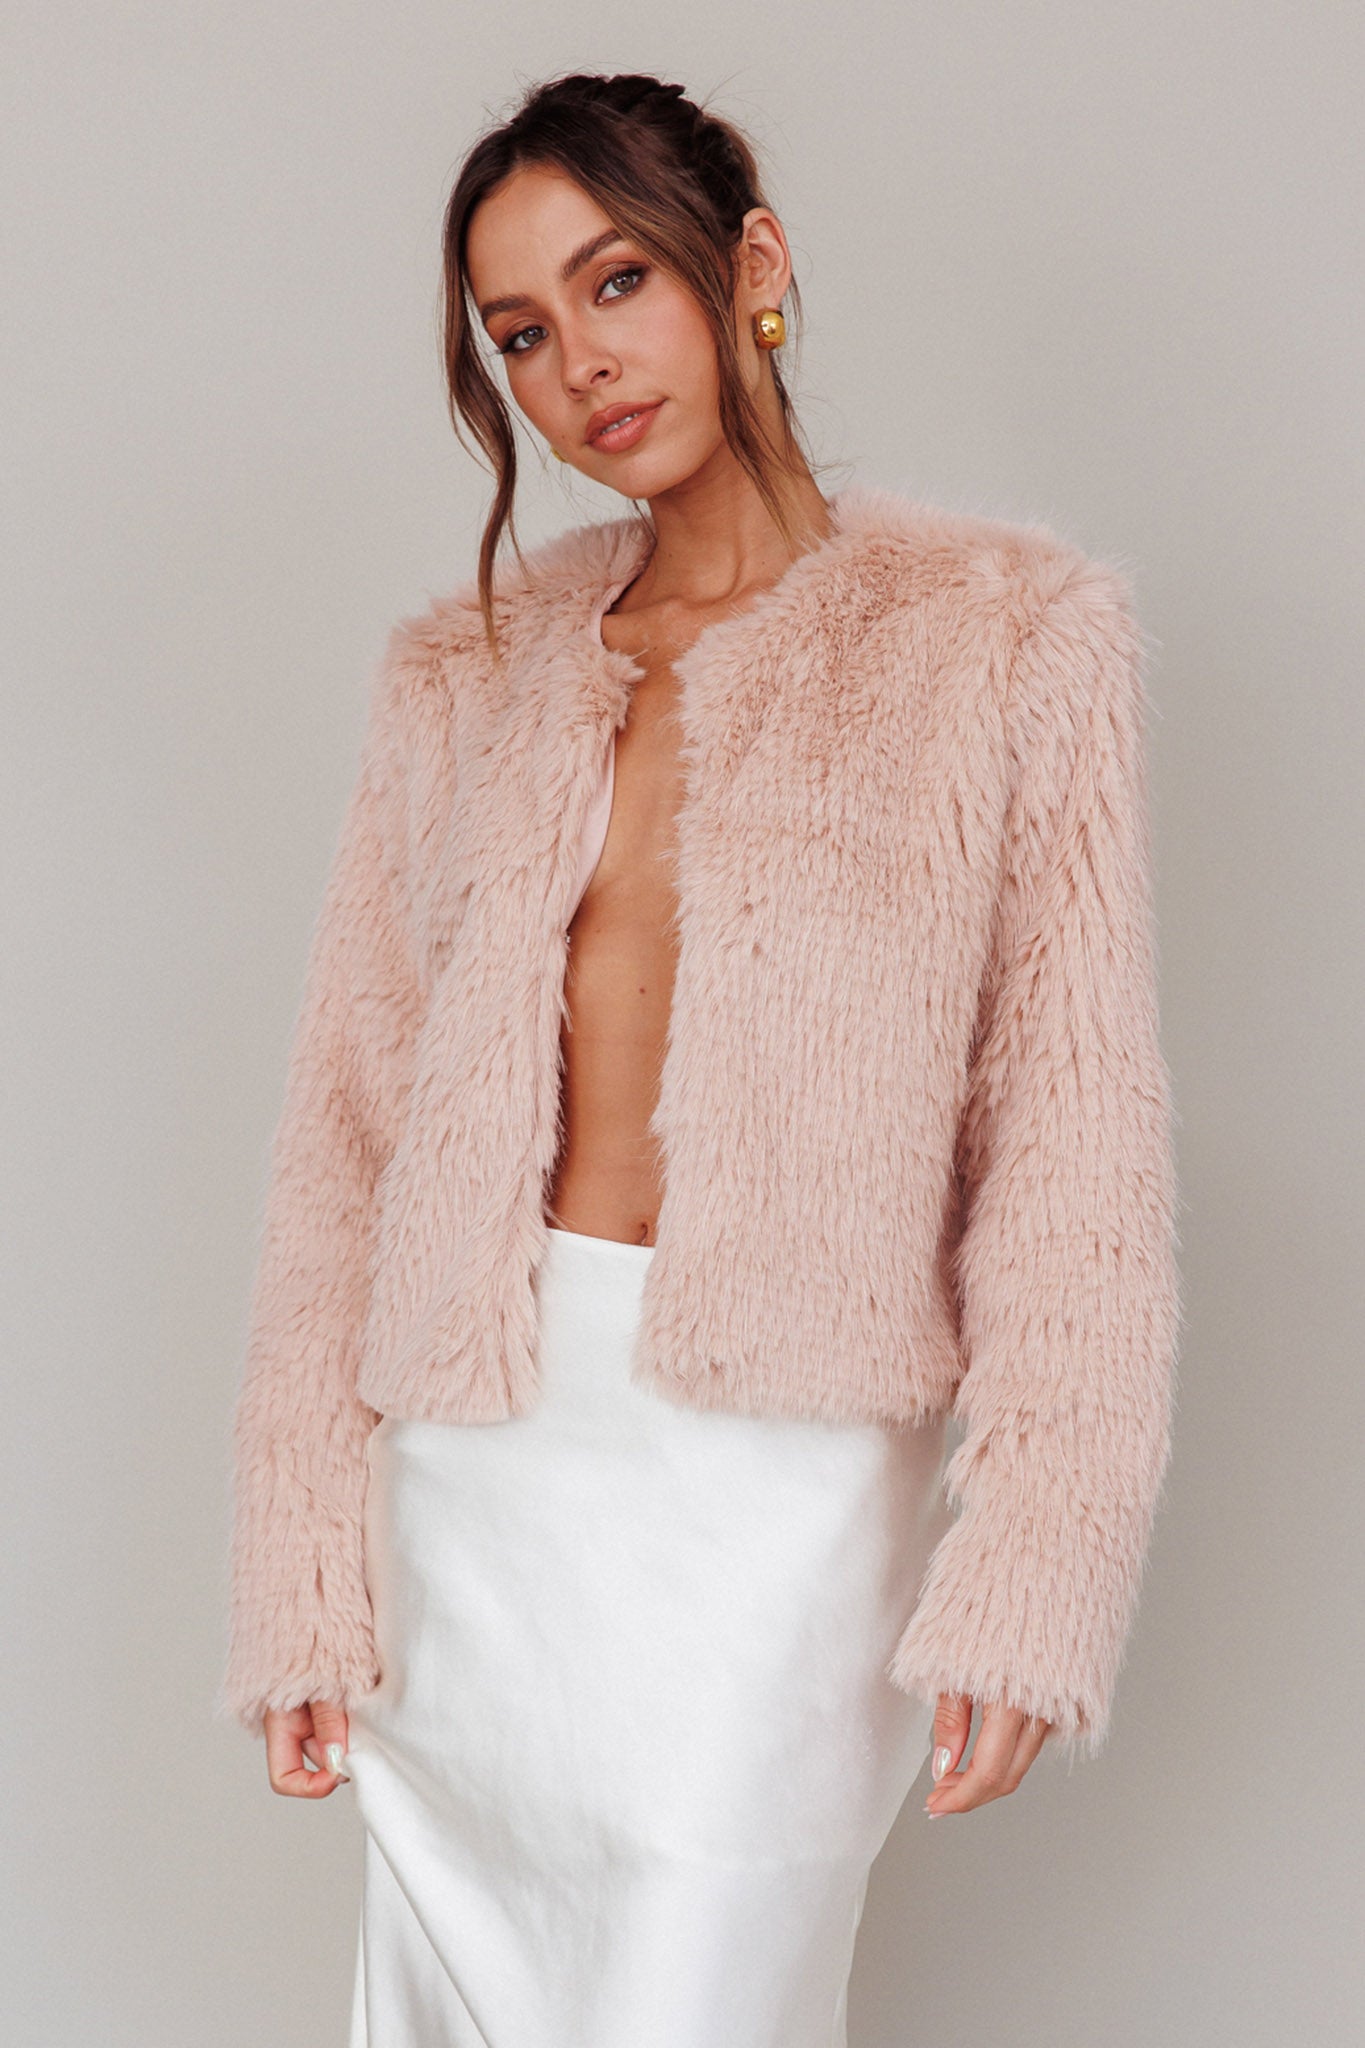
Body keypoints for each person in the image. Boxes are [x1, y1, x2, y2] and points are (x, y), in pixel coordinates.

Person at [219, 70, 1182, 2048]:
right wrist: (304, 1567)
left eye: (615, 283)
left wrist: (1036, 1568)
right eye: (518, 333)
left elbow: (1070, 1146)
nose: (576, 365)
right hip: (483, 1473)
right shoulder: (468, 671)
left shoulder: (1001, 638)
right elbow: (348, 1137)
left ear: (748, 268)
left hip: (781, 1487)